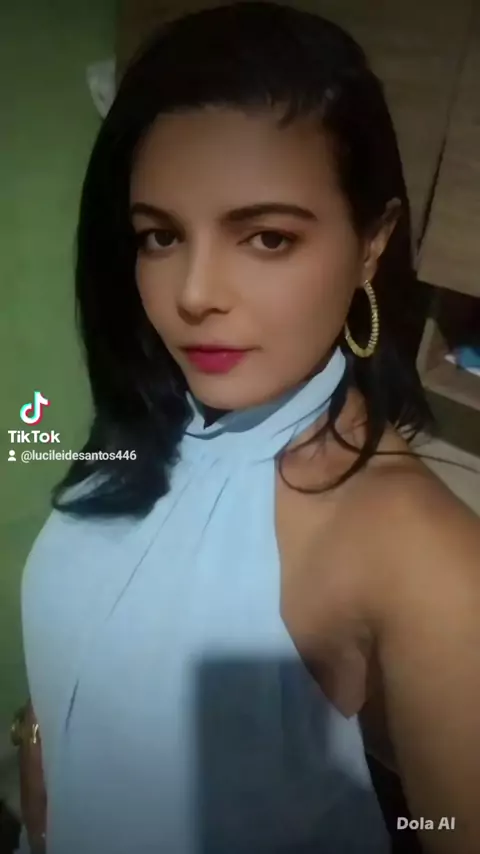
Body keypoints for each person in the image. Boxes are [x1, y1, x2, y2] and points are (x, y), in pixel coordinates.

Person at [13, 3, 480, 853]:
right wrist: (42, 733)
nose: (194, 294)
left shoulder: (417, 549)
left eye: (266, 238)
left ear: (371, 243)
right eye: (160, 237)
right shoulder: (155, 416)